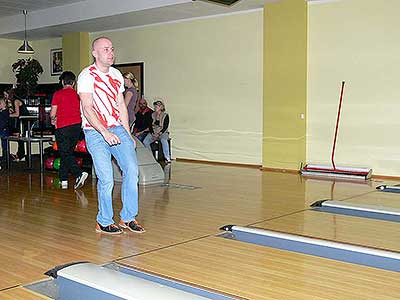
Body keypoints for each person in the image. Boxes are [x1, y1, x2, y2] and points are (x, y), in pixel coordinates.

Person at [77, 36, 145, 235]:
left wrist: (127, 133)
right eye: (106, 49)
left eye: (112, 49)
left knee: (132, 171)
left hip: (117, 128)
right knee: (106, 178)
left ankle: (128, 217)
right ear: (95, 53)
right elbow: (87, 109)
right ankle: (104, 221)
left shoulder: (116, 75)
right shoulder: (86, 76)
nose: (111, 52)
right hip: (95, 131)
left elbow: (121, 105)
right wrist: (104, 132)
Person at [50, 71, 88, 190]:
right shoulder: (78, 95)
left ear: (62, 82)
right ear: (73, 82)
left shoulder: (58, 94)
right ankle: (64, 179)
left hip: (63, 127)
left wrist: (52, 119)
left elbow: (52, 113)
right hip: (76, 126)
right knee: (67, 153)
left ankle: (79, 174)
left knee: (65, 153)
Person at [143, 99, 171, 163]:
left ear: (161, 107)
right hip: (154, 132)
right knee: (145, 141)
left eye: (157, 107)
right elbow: (150, 126)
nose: (155, 108)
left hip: (162, 132)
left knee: (164, 140)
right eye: (155, 106)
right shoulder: (152, 114)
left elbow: (165, 126)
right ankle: (151, 157)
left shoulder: (165, 115)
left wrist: (158, 134)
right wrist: (153, 133)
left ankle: (167, 158)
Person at [5, 89, 29, 161]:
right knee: (19, 138)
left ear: (10, 95)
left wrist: (7, 115)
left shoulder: (16, 101)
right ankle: (20, 155)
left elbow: (17, 114)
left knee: (20, 138)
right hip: (21, 121)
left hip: (24, 121)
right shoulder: (11, 102)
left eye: (6, 95)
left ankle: (21, 155)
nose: (5, 96)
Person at [0, 98, 9, 163]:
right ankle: (5, 158)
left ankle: (5, 158)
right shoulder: (3, 112)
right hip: (3, 129)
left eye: (1, 103)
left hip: (4, 130)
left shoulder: (5, 112)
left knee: (4, 145)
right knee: (4, 144)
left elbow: (4, 122)